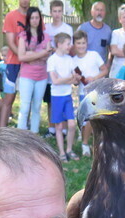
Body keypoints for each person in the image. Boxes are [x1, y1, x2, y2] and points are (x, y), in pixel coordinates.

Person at [17, 6, 51, 134]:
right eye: (32, 18)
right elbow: (21, 56)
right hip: (27, 75)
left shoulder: (46, 36)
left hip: (42, 76)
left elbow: (48, 55)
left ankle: (34, 135)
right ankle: (21, 136)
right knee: (25, 107)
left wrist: (30, 55)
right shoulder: (23, 36)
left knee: (37, 107)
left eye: (37, 17)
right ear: (28, 19)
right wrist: (40, 54)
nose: (35, 20)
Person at [72, 30, 106, 156]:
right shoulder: (73, 60)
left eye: (83, 43)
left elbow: (104, 70)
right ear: (74, 44)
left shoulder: (94, 55)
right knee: (86, 119)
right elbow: (75, 83)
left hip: (97, 91)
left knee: (97, 119)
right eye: (78, 43)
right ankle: (85, 144)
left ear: (87, 43)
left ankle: (97, 143)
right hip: (83, 93)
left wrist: (95, 77)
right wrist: (76, 79)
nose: (81, 46)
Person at [48, 32, 80, 161]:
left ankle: (69, 149)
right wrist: (69, 79)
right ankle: (62, 152)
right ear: (59, 44)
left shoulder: (69, 59)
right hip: (56, 96)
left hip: (67, 95)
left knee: (71, 125)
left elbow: (76, 79)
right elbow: (55, 81)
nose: (70, 46)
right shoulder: (52, 60)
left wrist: (65, 79)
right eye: (68, 43)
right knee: (59, 126)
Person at [43, 0, 73, 138]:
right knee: (51, 100)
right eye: (54, 11)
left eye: (59, 11)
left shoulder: (68, 28)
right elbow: (45, 46)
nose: (57, 14)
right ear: (50, 12)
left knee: (65, 98)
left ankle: (64, 128)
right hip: (50, 68)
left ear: (63, 12)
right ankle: (52, 128)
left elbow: (69, 48)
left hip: (64, 69)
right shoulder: (46, 28)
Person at [0, 0, 29, 127]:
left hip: (30, 64)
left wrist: (29, 58)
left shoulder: (34, 15)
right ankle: (1, 131)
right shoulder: (10, 16)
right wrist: (23, 57)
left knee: (27, 100)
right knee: (8, 99)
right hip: (13, 63)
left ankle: (25, 130)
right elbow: (10, 42)